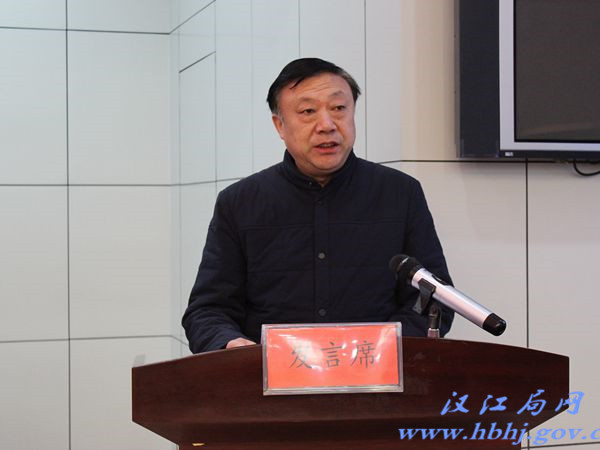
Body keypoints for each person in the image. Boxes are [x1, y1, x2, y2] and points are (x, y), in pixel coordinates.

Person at [183, 58, 453, 353]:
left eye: (338, 108)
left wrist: (383, 350)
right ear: (279, 125)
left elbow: (434, 300)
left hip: (376, 374)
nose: (327, 125)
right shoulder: (239, 203)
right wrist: (232, 345)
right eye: (308, 112)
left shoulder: (400, 193)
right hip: (270, 377)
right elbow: (207, 311)